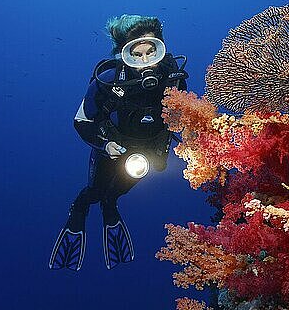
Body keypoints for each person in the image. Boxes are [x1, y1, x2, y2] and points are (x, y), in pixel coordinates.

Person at [49, 15, 188, 271]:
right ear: (124, 54)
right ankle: (81, 208)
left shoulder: (173, 77)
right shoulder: (108, 81)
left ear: (161, 48)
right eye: (137, 54)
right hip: (112, 148)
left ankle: (110, 206)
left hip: (147, 152)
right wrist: (105, 145)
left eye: (151, 51)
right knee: (96, 191)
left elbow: (183, 116)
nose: (146, 61)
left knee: (117, 191)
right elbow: (82, 121)